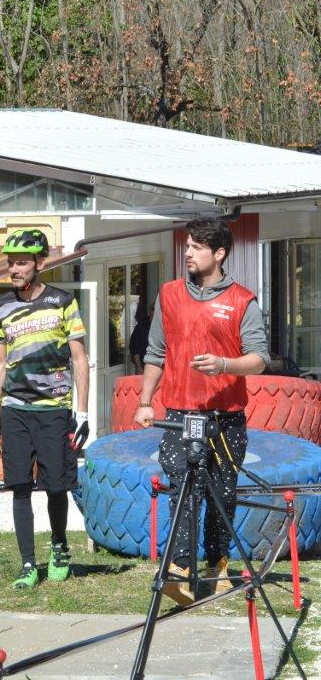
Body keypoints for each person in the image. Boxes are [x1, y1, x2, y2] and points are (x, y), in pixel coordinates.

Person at [132, 217, 268, 604]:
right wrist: (145, 402)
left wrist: (224, 364)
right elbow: (155, 353)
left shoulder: (242, 300)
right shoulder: (169, 295)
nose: (188, 253)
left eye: (196, 247)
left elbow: (259, 359)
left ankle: (218, 566)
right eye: (187, 245)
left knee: (222, 492)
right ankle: (180, 570)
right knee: (183, 488)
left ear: (219, 253)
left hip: (225, 417)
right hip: (180, 414)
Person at [0, 228, 90, 589]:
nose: (14, 269)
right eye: (10, 263)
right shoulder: (0, 305)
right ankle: (28, 563)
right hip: (15, 410)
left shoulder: (62, 302)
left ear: (40, 263)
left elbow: (79, 358)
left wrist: (82, 413)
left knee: (56, 486)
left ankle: (59, 546)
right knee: (19, 487)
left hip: (54, 409)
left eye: (21, 263)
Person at [129, 301, 154, 374]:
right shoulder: (141, 326)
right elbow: (135, 348)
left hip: (158, 364)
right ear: (149, 312)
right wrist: (139, 367)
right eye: (153, 309)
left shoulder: (162, 324)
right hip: (143, 364)